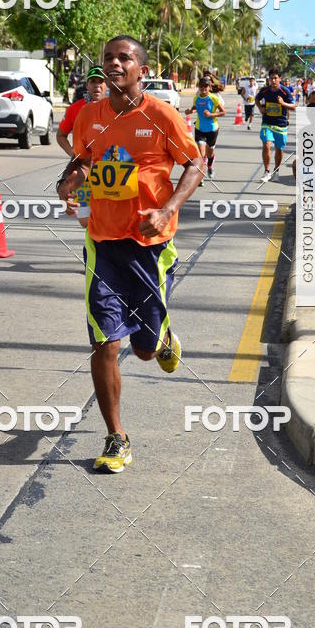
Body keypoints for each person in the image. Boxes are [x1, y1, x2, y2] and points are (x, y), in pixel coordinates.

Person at [57, 36, 204, 473]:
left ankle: (161, 337)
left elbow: (195, 164)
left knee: (142, 350)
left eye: (125, 58)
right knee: (104, 341)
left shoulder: (162, 115)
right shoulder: (90, 115)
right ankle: (116, 437)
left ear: (142, 69)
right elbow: (83, 162)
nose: (115, 64)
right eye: (108, 58)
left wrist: (168, 209)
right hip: (101, 244)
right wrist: (70, 184)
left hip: (148, 248)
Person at [57, 66, 108, 227]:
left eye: (101, 82)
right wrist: (74, 153)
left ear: (107, 85)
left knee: (107, 219)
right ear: (87, 85)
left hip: (108, 172)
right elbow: (60, 135)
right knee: (86, 221)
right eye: (93, 82)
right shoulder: (75, 109)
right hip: (83, 170)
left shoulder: (115, 108)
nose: (97, 85)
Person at [256, 68, 296, 182]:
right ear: (268, 79)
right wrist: (260, 108)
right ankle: (267, 171)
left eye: (275, 78)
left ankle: (276, 171)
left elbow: (293, 107)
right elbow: (257, 99)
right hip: (267, 123)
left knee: (279, 149)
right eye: (271, 78)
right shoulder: (265, 90)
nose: (273, 81)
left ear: (279, 79)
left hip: (281, 124)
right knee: (266, 144)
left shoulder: (285, 91)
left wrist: (283, 103)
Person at [185, 76, 226, 183]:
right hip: (199, 129)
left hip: (212, 130)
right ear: (199, 87)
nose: (203, 88)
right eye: (201, 86)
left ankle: (210, 166)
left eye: (206, 86)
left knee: (210, 153)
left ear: (209, 87)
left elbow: (223, 112)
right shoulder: (196, 98)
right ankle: (201, 176)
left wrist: (211, 114)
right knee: (201, 154)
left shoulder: (214, 98)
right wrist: (190, 111)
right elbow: (195, 108)